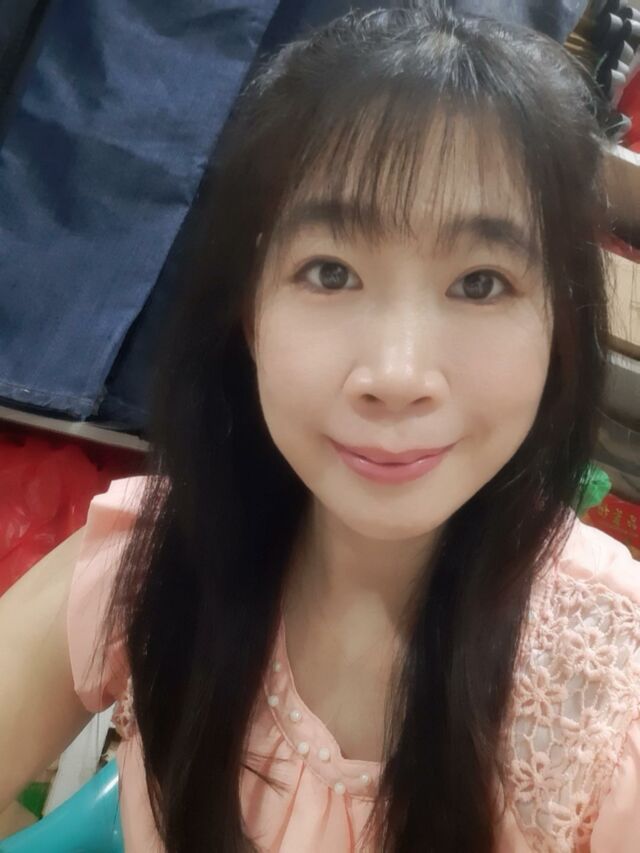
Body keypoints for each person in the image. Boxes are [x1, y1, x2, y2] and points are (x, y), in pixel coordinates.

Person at [2, 3, 639, 851]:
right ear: (249, 308)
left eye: (480, 283)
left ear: (561, 322)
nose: (396, 376)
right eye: (331, 272)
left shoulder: (612, 686)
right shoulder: (151, 554)